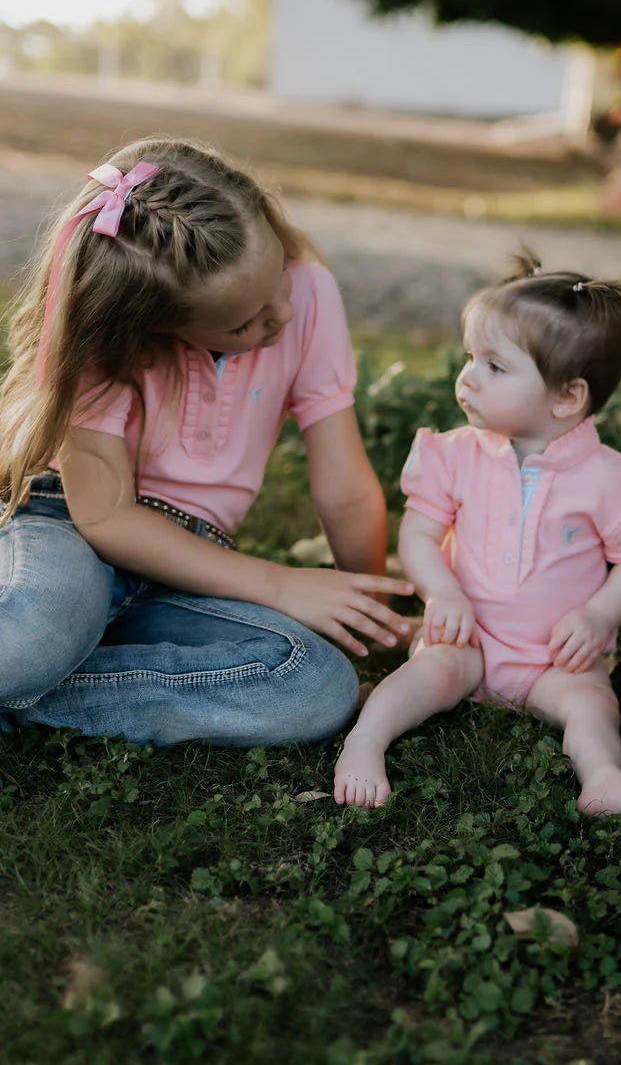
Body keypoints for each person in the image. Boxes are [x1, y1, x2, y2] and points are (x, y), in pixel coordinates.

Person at [0, 139, 415, 747]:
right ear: (154, 325)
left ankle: (29, 692)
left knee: (312, 682)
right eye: (241, 323)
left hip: (193, 570)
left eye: (277, 280)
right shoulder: (110, 343)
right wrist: (280, 583)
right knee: (36, 631)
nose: (279, 315)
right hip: (67, 531)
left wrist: (373, 614)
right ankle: (37, 665)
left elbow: (347, 491)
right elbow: (107, 518)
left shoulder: (310, 292)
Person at [334, 255, 621, 821]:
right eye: (471, 357)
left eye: (495, 366)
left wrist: (598, 617)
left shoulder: (614, 481)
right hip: (468, 636)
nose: (468, 376)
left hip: (553, 656)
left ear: (567, 397)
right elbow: (419, 532)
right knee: (425, 673)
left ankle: (603, 775)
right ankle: (365, 741)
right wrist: (443, 593)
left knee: (590, 704)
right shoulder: (454, 454)